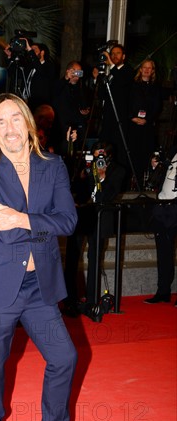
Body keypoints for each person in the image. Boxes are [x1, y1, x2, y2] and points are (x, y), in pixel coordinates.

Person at [0, 92, 96, 421]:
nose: (9, 128)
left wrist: (23, 220)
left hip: (39, 286)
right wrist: (42, 222)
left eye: (14, 119)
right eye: (0, 122)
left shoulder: (53, 165)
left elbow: (69, 223)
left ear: (28, 123)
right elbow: (2, 231)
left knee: (65, 357)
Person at [63, 141, 125, 321]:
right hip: (81, 216)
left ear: (109, 156)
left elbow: (109, 195)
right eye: (96, 155)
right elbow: (75, 190)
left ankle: (91, 302)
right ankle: (70, 300)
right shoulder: (87, 168)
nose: (99, 159)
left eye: (102, 155)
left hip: (100, 218)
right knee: (72, 258)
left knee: (94, 259)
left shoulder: (118, 171)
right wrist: (84, 175)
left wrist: (103, 177)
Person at [144, 145, 177, 305]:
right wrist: (156, 167)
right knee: (163, 252)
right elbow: (156, 181)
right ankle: (163, 291)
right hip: (163, 206)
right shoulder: (171, 154)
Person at [98, 44, 135, 184]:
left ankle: (120, 183)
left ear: (123, 56)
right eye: (112, 54)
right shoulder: (110, 73)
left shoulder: (128, 71)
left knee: (119, 150)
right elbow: (103, 95)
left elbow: (123, 83)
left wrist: (112, 66)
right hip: (108, 118)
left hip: (121, 118)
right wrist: (98, 79)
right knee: (104, 147)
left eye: (118, 53)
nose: (114, 56)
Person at [128, 59, 163, 188]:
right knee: (133, 154)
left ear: (153, 71)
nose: (147, 70)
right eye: (145, 67)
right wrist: (132, 117)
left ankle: (142, 185)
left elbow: (158, 107)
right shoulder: (132, 85)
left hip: (148, 127)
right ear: (140, 69)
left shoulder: (156, 87)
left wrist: (147, 119)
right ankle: (131, 184)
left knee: (146, 155)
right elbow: (127, 103)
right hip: (133, 126)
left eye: (150, 68)